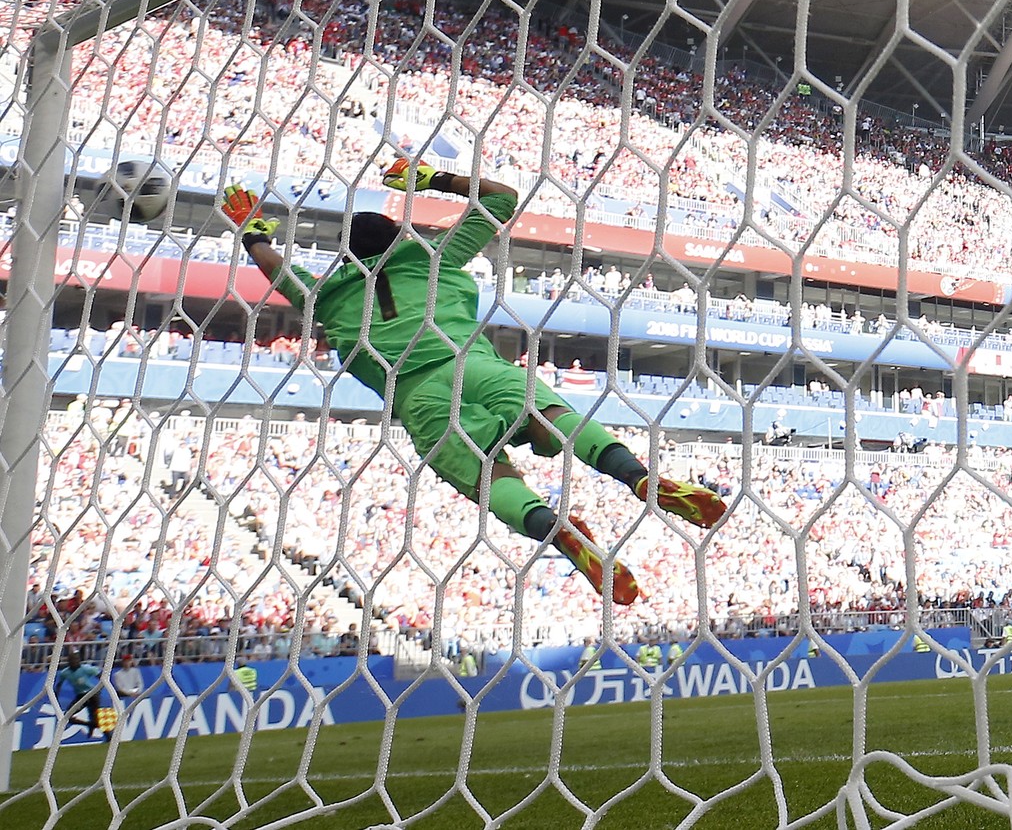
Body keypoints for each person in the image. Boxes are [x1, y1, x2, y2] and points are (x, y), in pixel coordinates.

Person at [222, 160, 725, 605]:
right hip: (472, 364)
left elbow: (275, 269)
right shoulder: (430, 257)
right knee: (554, 416)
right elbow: (502, 198)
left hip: (420, 398)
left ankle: (561, 533)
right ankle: (637, 477)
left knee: (492, 479)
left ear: (346, 256)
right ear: (400, 237)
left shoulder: (325, 294)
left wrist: (253, 232)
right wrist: (431, 179)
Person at [55, 650, 103, 735]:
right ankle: (90, 724)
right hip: (80, 695)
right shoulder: (65, 673)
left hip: (91, 693)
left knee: (96, 716)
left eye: (76, 659)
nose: (74, 662)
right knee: (67, 716)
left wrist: (100, 688)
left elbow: (101, 676)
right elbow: (59, 684)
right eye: (72, 660)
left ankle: (109, 737)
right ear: (69, 662)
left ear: (79, 660)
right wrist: (55, 695)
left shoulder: (86, 668)